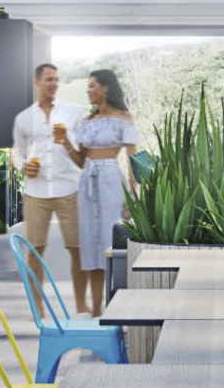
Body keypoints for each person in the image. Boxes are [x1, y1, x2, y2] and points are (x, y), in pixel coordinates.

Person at [11, 62, 89, 315]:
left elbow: (83, 152)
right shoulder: (24, 118)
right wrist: (23, 166)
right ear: (37, 82)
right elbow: (17, 152)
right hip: (36, 192)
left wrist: (67, 141)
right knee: (35, 249)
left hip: (69, 188)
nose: (54, 83)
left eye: (57, 79)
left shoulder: (72, 113)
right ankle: (38, 305)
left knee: (77, 249)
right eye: (49, 79)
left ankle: (81, 303)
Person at [59, 69, 138, 315]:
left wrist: (133, 199)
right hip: (87, 184)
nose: (88, 90)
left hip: (111, 181)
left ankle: (115, 305)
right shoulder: (86, 122)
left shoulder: (124, 119)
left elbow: (133, 161)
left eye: (92, 85)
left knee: (110, 241)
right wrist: (65, 142)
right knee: (90, 246)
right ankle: (96, 311)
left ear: (106, 88)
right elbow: (81, 161)